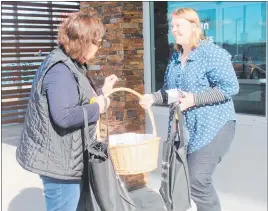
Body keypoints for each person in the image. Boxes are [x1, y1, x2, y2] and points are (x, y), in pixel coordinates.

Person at [16, 12, 118, 211]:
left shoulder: (72, 63)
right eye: (97, 42)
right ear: (85, 41)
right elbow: (64, 116)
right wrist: (98, 107)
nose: (98, 48)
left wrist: (102, 93)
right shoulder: (60, 70)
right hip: (59, 164)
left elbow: (76, 98)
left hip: (67, 159)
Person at [140, 8, 239, 211]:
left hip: (215, 126)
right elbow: (172, 91)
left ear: (194, 27)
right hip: (188, 130)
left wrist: (195, 99)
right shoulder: (176, 57)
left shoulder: (211, 53)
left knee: (197, 179)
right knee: (187, 179)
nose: (174, 30)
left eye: (179, 25)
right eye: (172, 26)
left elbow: (230, 87)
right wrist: (153, 97)